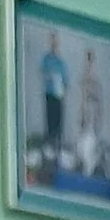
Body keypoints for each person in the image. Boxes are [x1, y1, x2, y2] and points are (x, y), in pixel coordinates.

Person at [37, 39, 68, 174]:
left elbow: (66, 82)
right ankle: (47, 152)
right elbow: (43, 72)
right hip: (49, 95)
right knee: (49, 122)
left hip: (59, 96)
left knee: (58, 125)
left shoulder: (61, 63)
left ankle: (57, 152)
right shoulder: (47, 60)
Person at [76, 49, 103, 179]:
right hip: (85, 117)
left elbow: (97, 104)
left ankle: (88, 170)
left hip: (91, 119)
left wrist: (97, 118)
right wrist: (81, 115)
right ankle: (85, 170)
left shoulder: (95, 83)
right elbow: (81, 99)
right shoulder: (83, 81)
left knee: (89, 144)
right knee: (82, 146)